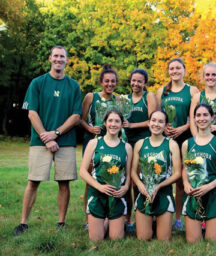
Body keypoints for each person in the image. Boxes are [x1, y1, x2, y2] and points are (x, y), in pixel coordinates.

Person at [14, 46, 82, 236]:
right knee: (33, 181)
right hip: (39, 141)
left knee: (64, 183)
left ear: (67, 60)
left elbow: (76, 115)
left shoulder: (73, 86)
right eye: (56, 56)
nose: (59, 59)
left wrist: (56, 133)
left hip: (65, 141)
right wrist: (46, 136)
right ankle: (23, 223)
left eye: (62, 56)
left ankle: (61, 222)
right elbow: (32, 113)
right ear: (50, 58)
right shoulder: (37, 83)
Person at [156, 58, 199, 230]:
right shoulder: (162, 91)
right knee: (162, 176)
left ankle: (179, 217)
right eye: (172, 68)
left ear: (184, 70)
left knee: (182, 179)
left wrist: (182, 128)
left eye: (178, 68)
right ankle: (161, 212)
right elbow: (157, 114)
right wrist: (164, 127)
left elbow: (196, 116)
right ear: (168, 71)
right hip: (165, 139)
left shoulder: (192, 90)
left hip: (185, 138)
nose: (175, 71)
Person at [79, 109, 132, 241]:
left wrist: (125, 188)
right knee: (96, 239)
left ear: (121, 125)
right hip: (97, 195)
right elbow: (83, 171)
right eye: (110, 121)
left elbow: (128, 174)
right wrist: (99, 187)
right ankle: (103, 220)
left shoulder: (127, 147)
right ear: (105, 123)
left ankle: (112, 220)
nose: (113, 124)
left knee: (116, 239)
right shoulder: (94, 143)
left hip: (116, 196)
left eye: (117, 121)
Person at [182, 104, 216, 244]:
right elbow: (185, 169)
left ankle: (211, 223)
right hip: (194, 194)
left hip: (212, 193)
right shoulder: (187, 144)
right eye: (198, 115)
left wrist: (208, 187)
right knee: (192, 242)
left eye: (205, 115)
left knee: (213, 242)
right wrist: (185, 183)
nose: (202, 118)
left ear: (212, 118)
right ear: (194, 118)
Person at [131, 110, 181, 240]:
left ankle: (159, 220)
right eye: (153, 120)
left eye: (160, 121)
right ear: (148, 123)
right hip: (144, 194)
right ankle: (150, 221)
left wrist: (158, 186)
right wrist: (140, 185)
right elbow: (132, 172)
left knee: (163, 239)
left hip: (164, 193)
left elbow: (178, 173)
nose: (156, 124)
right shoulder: (140, 144)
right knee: (143, 237)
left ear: (166, 125)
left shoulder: (172, 144)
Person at [81, 64, 118, 228]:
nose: (110, 84)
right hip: (93, 144)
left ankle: (109, 215)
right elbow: (79, 119)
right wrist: (89, 128)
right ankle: (88, 218)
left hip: (112, 145)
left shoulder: (119, 101)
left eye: (113, 81)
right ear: (101, 82)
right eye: (107, 81)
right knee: (91, 181)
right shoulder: (91, 96)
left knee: (111, 178)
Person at [190, 62, 216, 202]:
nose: (210, 77)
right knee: (200, 179)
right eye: (207, 75)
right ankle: (201, 215)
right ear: (203, 77)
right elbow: (192, 120)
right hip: (200, 143)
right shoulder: (197, 97)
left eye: (214, 74)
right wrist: (197, 140)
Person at [122, 69, 157, 228]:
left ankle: (143, 215)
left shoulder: (148, 97)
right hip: (126, 144)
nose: (135, 84)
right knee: (127, 182)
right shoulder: (125, 99)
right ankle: (127, 217)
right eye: (133, 80)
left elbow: (153, 120)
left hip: (143, 144)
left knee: (140, 182)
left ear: (145, 83)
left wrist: (132, 125)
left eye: (139, 81)